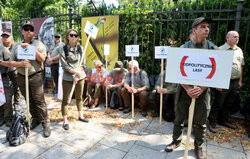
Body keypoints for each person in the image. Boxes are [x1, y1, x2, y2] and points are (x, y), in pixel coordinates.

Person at [164, 17, 217, 159]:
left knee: (201, 121)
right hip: (184, 90)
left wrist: (201, 88)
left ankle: (198, 146)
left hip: (203, 92)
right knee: (179, 118)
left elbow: (217, 73)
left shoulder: (213, 49)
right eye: (203, 26)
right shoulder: (183, 48)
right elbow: (175, 71)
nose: (207, 29)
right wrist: (187, 88)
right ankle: (176, 141)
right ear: (194, 30)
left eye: (208, 27)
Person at [0, 23, 51, 137]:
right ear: (22, 31)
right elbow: (11, 62)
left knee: (39, 101)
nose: (29, 31)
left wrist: (30, 48)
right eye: (26, 29)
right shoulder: (17, 46)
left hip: (35, 76)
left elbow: (42, 59)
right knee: (29, 100)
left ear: (33, 32)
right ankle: (35, 118)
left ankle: (45, 123)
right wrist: (20, 64)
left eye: (31, 29)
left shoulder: (38, 44)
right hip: (21, 77)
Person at [209, 31, 244, 133]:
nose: (237, 38)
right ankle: (212, 122)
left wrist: (240, 80)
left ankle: (223, 120)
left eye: (238, 37)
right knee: (218, 103)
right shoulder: (220, 50)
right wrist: (217, 83)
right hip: (223, 81)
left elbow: (241, 66)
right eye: (234, 37)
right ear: (227, 38)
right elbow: (215, 68)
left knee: (229, 102)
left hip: (235, 81)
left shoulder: (239, 50)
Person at [60, 29, 89, 130]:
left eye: (75, 35)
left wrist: (78, 73)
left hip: (80, 77)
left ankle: (80, 116)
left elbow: (83, 64)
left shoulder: (81, 48)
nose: (73, 37)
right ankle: (65, 121)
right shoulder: (63, 49)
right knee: (66, 100)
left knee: (79, 97)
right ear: (67, 36)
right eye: (71, 35)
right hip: (68, 78)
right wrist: (75, 73)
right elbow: (65, 66)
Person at [1, 32, 21, 111]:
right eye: (4, 37)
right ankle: (5, 105)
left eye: (7, 37)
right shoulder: (1, 48)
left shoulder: (15, 47)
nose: (5, 38)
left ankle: (16, 103)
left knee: (16, 87)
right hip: (4, 72)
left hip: (13, 70)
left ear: (11, 38)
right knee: (6, 91)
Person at [0, 45, 14, 127]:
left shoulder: (3, 49)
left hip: (4, 78)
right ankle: (1, 117)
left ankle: (8, 118)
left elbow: (11, 63)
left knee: (7, 99)